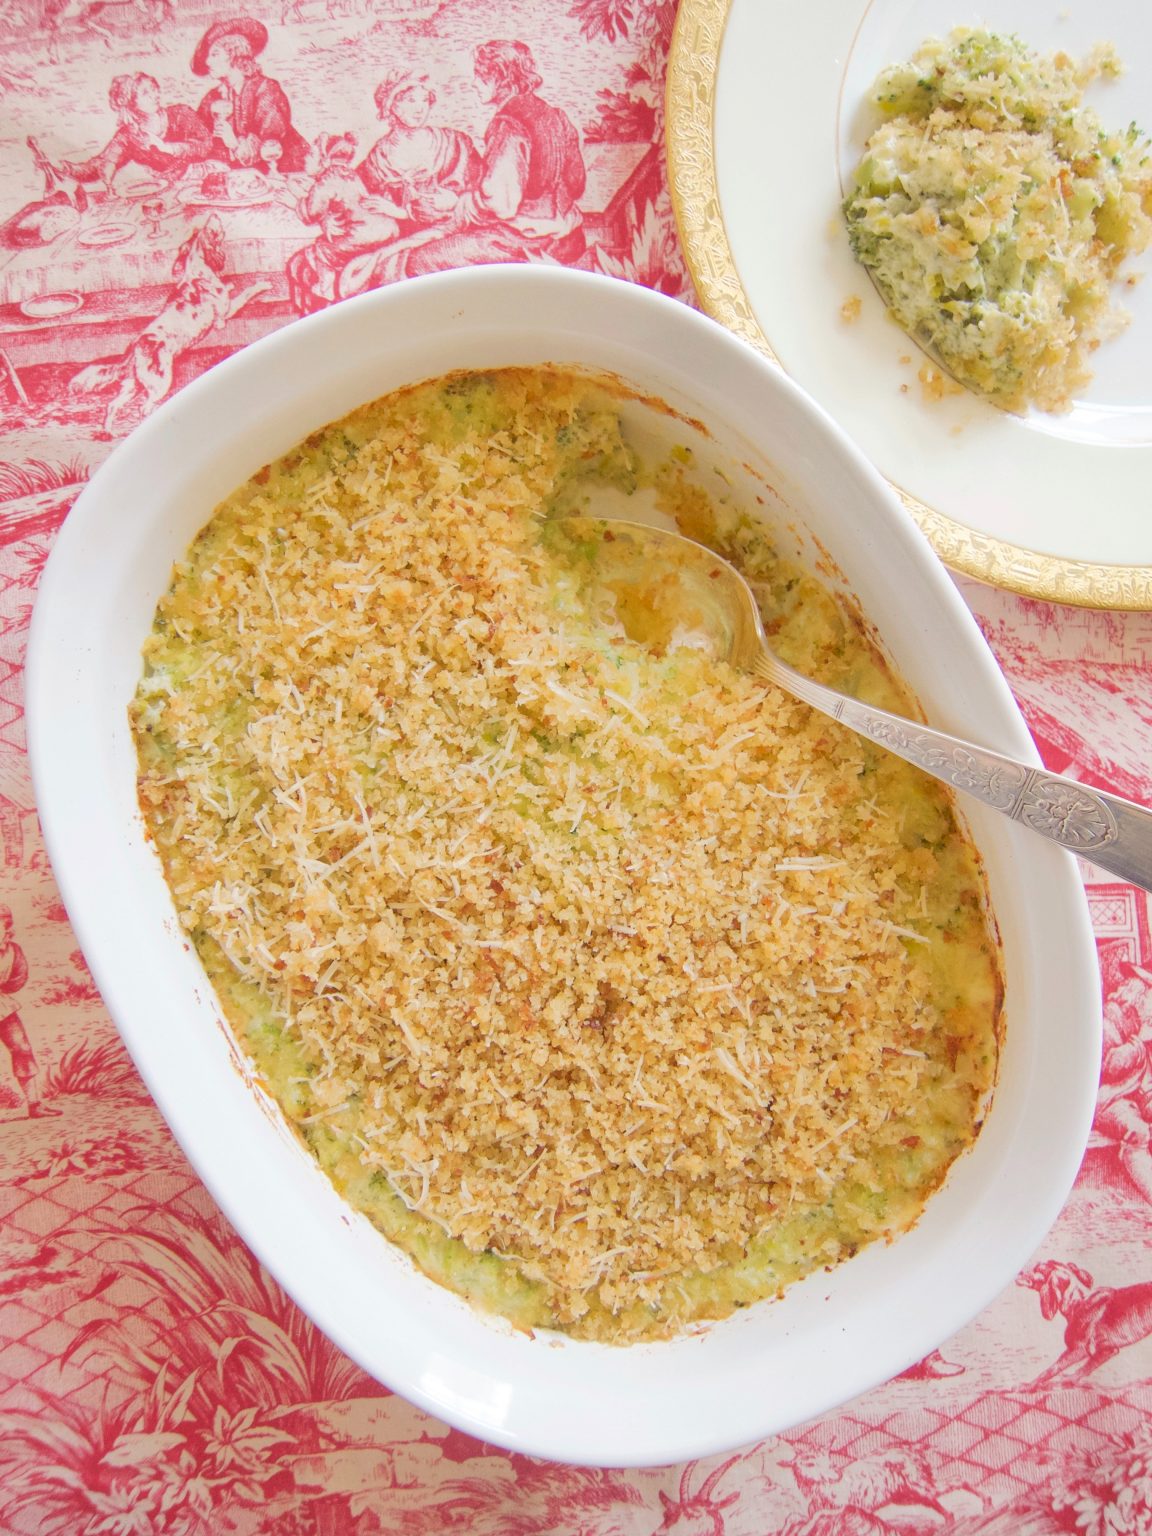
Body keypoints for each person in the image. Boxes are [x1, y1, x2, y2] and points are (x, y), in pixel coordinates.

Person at [403, 39, 586, 277]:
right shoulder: (556, 116)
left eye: (481, 76)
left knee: (419, 261)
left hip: (525, 241)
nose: (475, 83)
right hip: (568, 235)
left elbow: (501, 205)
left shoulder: (508, 125)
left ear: (501, 80)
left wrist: (456, 204)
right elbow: (577, 183)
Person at [51, 73, 211, 191]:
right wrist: (69, 169)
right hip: (166, 186)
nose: (155, 95)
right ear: (131, 102)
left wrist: (166, 148)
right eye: (146, 93)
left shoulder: (180, 114)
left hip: (202, 178)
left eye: (154, 89)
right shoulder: (129, 135)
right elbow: (101, 163)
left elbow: (205, 146)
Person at [357, 72, 479, 225]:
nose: (420, 109)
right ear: (391, 105)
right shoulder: (378, 159)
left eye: (425, 100)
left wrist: (457, 200)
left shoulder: (454, 143)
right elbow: (356, 198)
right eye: (411, 100)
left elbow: (486, 191)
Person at [192, 16, 309, 174]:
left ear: (235, 55)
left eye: (215, 54)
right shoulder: (213, 97)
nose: (207, 62)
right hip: (242, 177)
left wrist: (233, 143)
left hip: (286, 172)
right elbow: (200, 135)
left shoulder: (266, 89)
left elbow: (270, 144)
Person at [0, 906, 58, 1119]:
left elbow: (17, 979)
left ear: (7, 929)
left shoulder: (13, 951)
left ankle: (34, 1104)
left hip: (3, 1007)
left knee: (22, 1049)